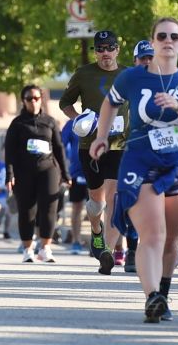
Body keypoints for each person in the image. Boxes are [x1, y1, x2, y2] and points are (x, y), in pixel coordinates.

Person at [91, 16, 178, 324]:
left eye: (174, 36)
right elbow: (109, 104)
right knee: (151, 235)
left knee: (171, 239)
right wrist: (101, 137)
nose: (167, 40)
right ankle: (151, 296)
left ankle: (163, 294)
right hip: (140, 162)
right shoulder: (132, 77)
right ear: (153, 41)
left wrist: (177, 105)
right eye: (161, 36)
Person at [58, 29, 128, 275]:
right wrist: (79, 120)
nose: (105, 53)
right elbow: (64, 101)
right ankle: (96, 230)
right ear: (95, 52)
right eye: (100, 49)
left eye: (110, 47)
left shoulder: (127, 75)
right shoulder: (83, 74)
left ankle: (107, 251)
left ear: (117, 49)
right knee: (96, 203)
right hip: (91, 146)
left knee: (114, 199)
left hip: (120, 146)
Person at [5, 84, 68, 263]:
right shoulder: (17, 124)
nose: (33, 102)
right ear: (23, 101)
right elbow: (9, 151)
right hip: (23, 172)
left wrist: (65, 174)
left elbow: (58, 148)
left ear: (41, 99)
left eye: (36, 98)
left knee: (49, 208)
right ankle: (27, 249)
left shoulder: (49, 121)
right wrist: (9, 175)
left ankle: (45, 247)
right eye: (29, 99)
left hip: (48, 170)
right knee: (27, 210)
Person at [60, 115, 89, 255]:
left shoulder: (102, 118)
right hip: (76, 172)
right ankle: (76, 241)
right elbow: (61, 145)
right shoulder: (73, 123)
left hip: (96, 172)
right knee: (77, 208)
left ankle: (98, 242)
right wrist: (63, 170)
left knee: (98, 208)